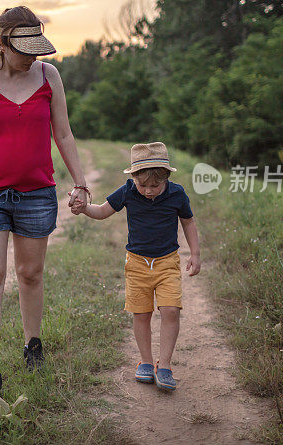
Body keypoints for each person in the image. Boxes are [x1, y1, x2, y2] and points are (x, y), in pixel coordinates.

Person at [0, 6, 89, 400]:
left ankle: (33, 344)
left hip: (36, 193)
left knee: (30, 274)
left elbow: (63, 132)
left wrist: (80, 180)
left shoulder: (49, 76)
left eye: (36, 50)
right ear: (3, 43)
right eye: (25, 50)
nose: (32, 58)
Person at [71, 142, 200, 391]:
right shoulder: (128, 191)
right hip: (137, 264)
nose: (149, 191)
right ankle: (147, 362)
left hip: (167, 262)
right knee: (141, 313)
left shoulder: (177, 194)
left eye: (155, 186)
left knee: (171, 310)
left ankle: (165, 365)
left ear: (166, 177)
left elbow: (188, 221)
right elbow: (101, 211)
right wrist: (83, 208)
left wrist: (195, 253)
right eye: (143, 185)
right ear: (133, 179)